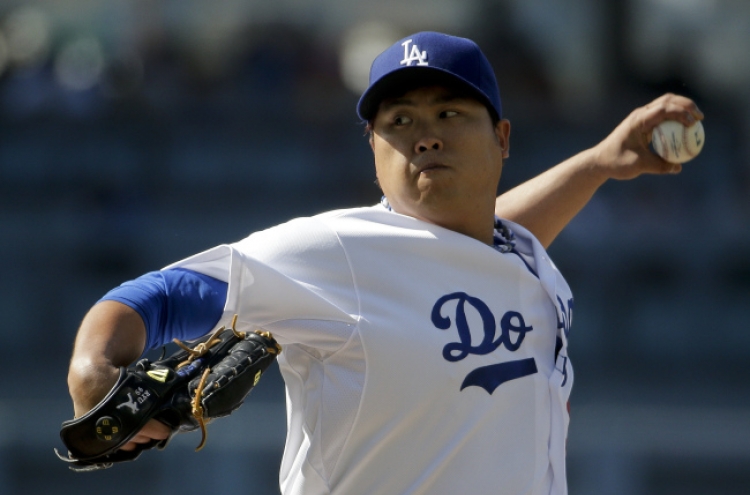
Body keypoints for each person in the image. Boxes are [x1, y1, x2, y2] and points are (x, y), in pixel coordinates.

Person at [66, 32, 703, 494]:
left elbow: (480, 240)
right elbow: (160, 294)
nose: (424, 135)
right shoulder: (337, 253)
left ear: (502, 139)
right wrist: (93, 370)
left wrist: (598, 164)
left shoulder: (509, 250)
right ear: (373, 148)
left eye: (449, 113)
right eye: (399, 121)